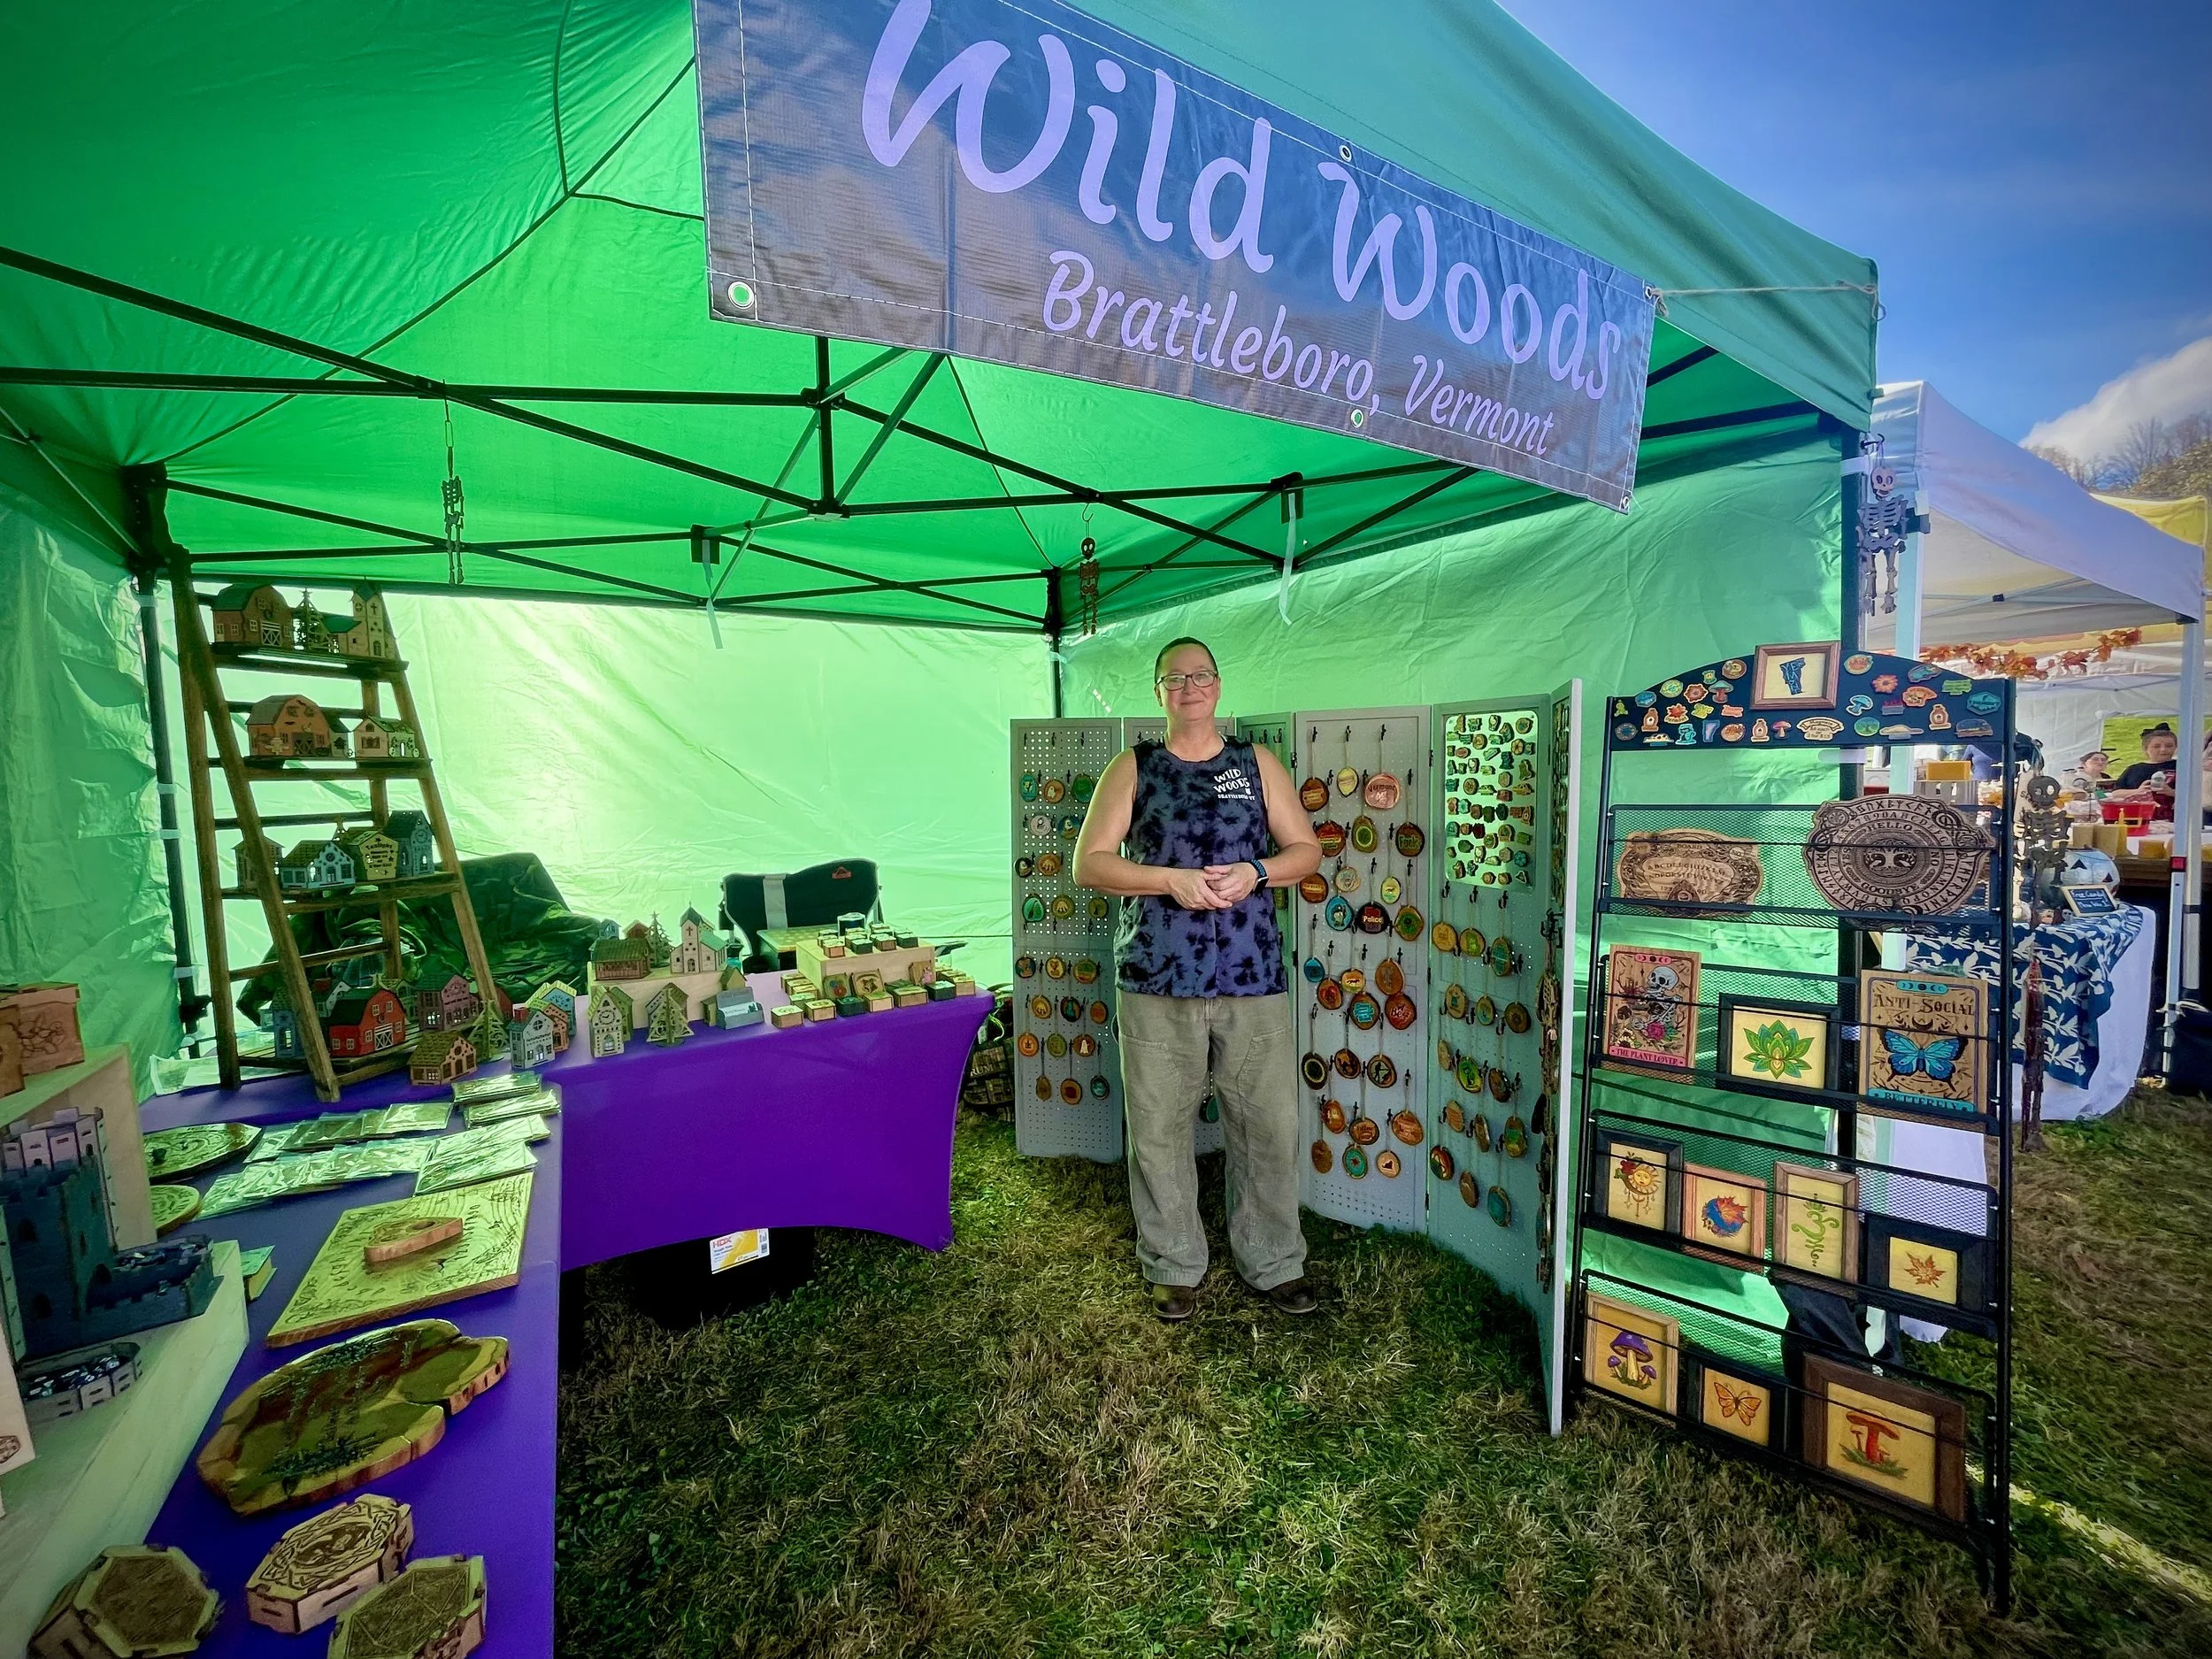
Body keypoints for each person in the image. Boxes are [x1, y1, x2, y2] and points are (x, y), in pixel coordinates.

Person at [1073, 638, 1323, 1324]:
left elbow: (1306, 849)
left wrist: (1259, 871)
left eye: (1201, 674)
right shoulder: (1134, 768)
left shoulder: (1255, 763)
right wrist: (1168, 881)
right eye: (1174, 677)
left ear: (1219, 684)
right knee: (1158, 1125)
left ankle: (1274, 1258)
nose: (1189, 685)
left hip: (1253, 974)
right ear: (1158, 691)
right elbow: (1089, 865)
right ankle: (1174, 1261)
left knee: (1268, 1122)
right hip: (1157, 972)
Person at [2113, 723, 2178, 792]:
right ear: (2146, 749)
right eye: (2157, 746)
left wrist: (2171, 792)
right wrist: (2138, 791)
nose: (2163, 749)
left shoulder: (2182, 767)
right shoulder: (2134, 769)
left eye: (2169, 746)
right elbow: (2116, 793)